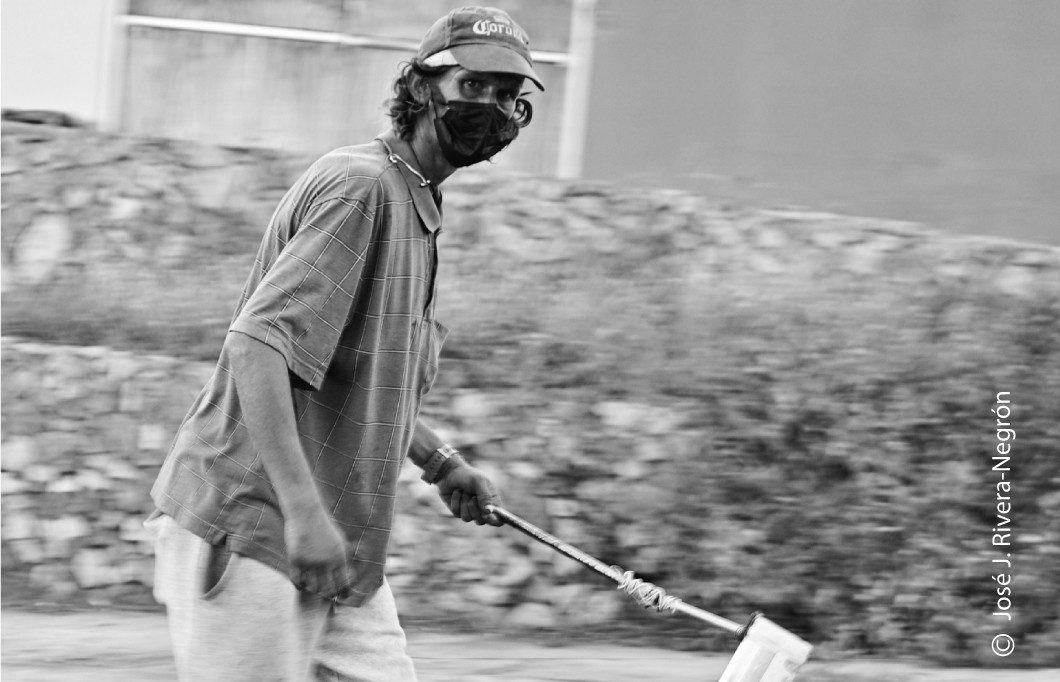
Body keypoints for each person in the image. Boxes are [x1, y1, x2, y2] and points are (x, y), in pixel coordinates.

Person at [146, 6, 544, 680]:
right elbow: (259, 346)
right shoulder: (365, 189)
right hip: (262, 531)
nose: (495, 108)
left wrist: (442, 462)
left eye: (510, 96)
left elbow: (362, 372)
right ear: (422, 86)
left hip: (341, 545)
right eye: (475, 86)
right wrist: (303, 515)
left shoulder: (414, 202)